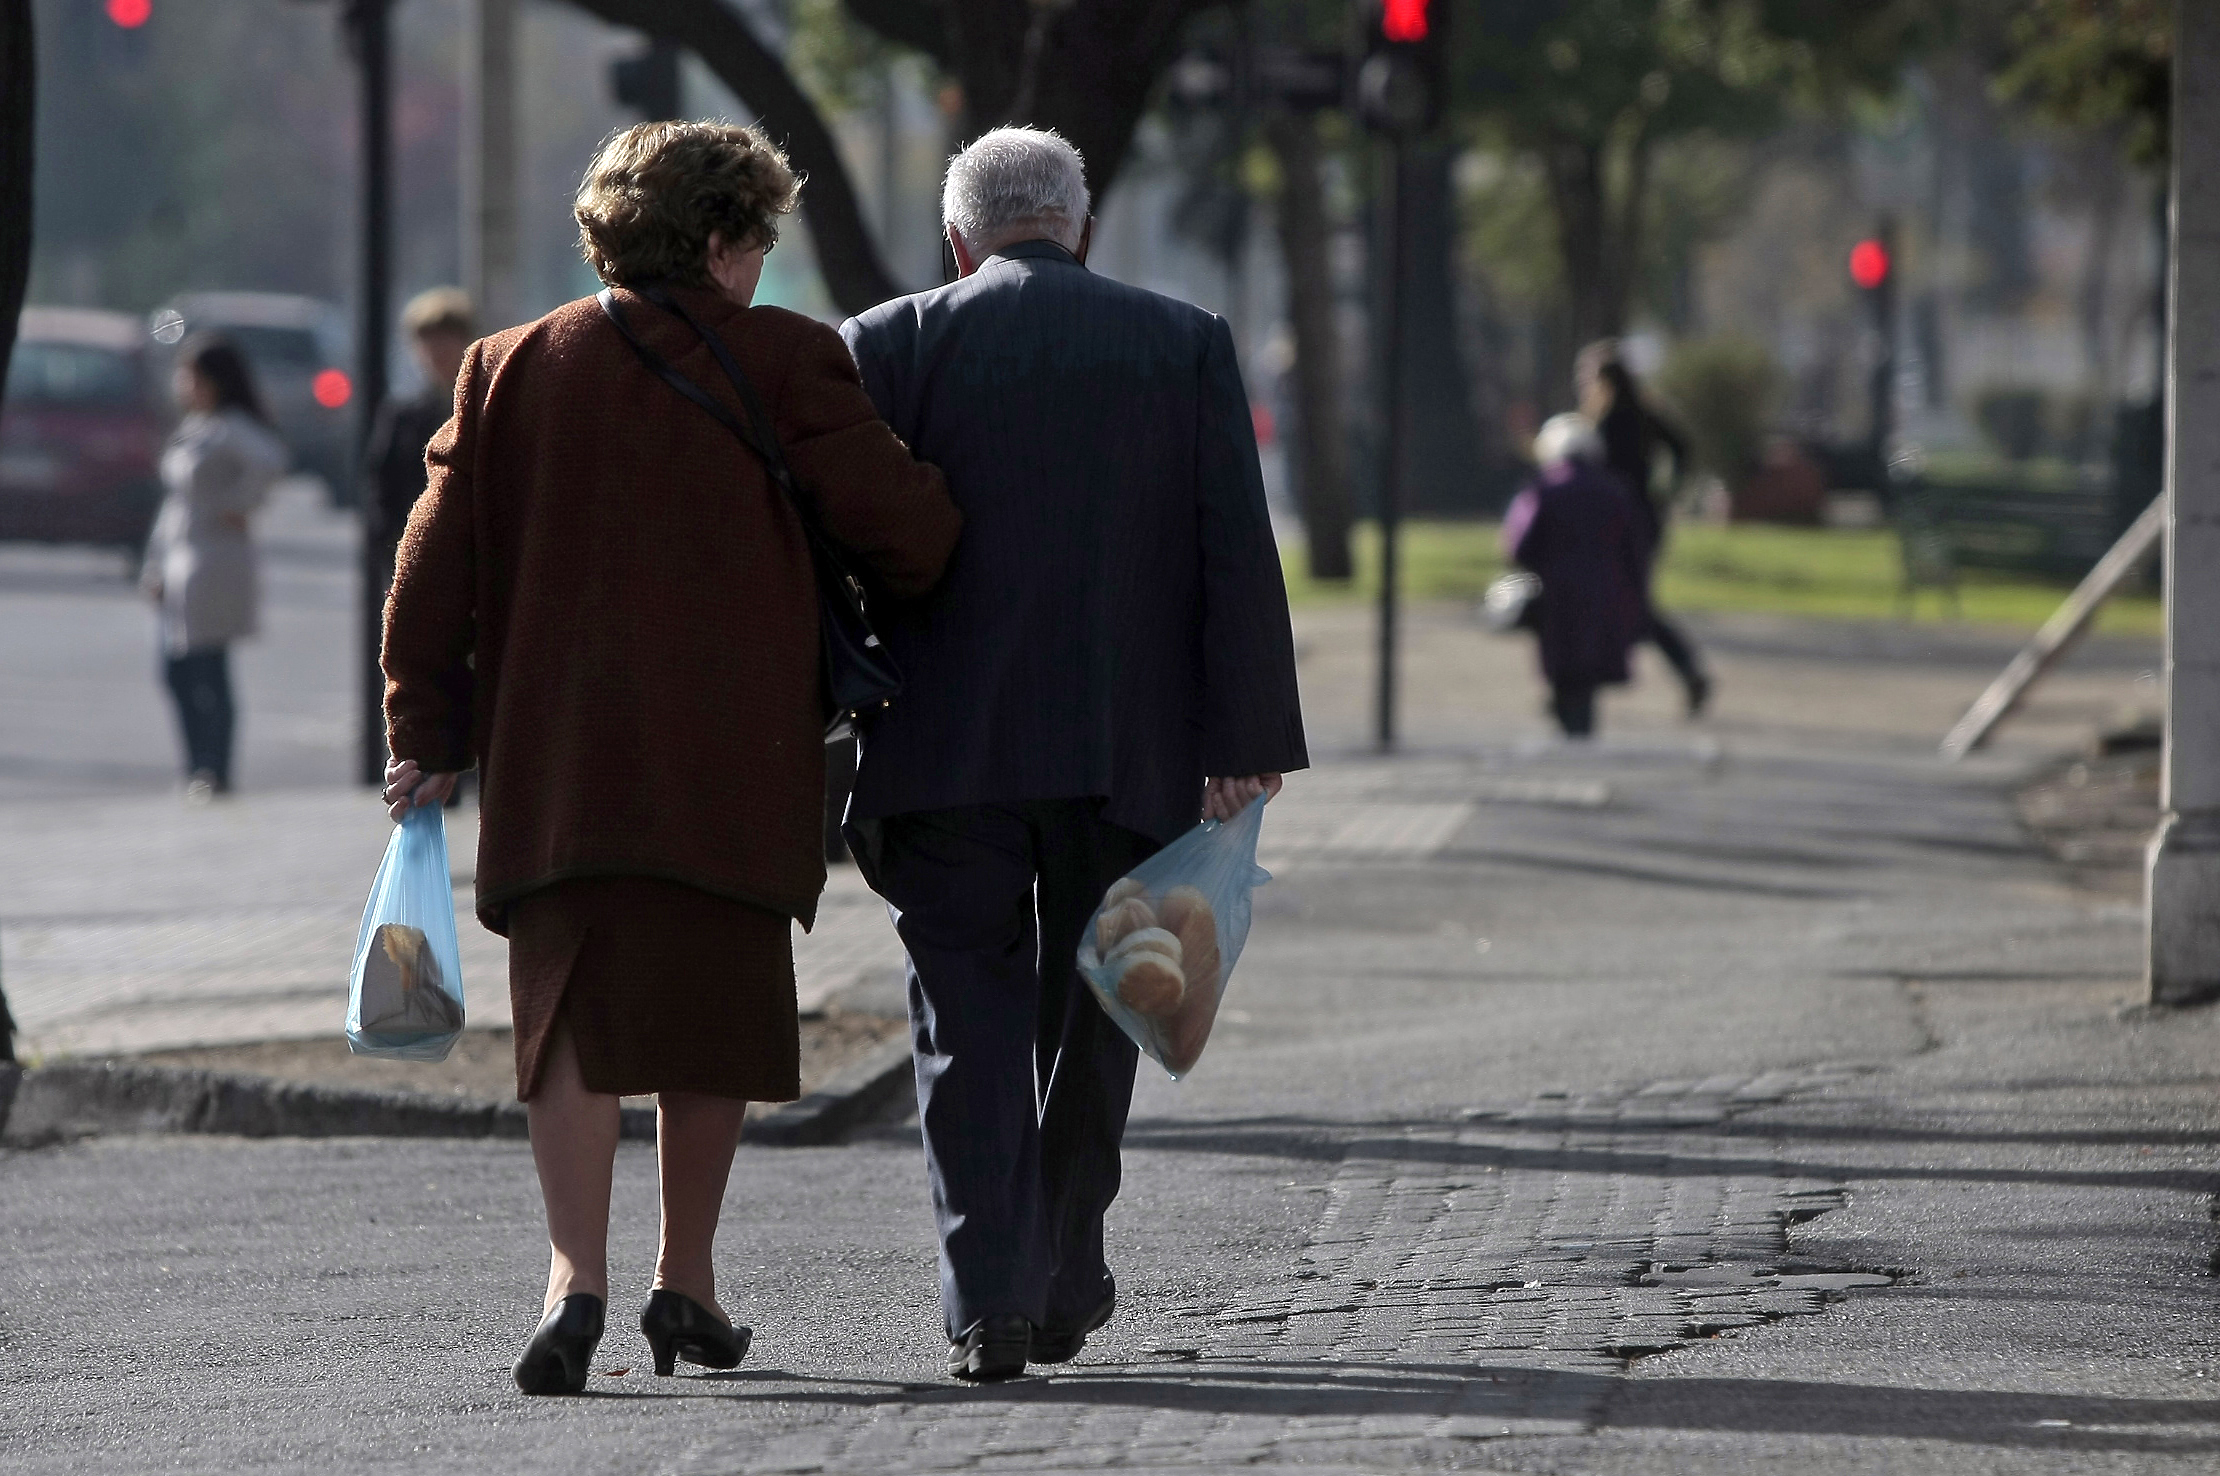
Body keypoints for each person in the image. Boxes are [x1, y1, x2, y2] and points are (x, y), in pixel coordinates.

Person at [377, 120, 961, 1396]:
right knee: (712, 1017)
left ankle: (569, 1280)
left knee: (569, 1022)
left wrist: (425, 731)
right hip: (731, 757)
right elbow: (906, 533)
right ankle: (683, 1279)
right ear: (714, 238)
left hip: (560, 758)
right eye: (754, 236)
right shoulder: (789, 360)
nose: (759, 259)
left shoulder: (507, 367)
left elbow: (429, 570)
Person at [840, 127, 1308, 1383]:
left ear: (959, 239)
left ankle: (991, 1294)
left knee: (965, 1026)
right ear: (1081, 228)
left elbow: (836, 546)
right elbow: (1233, 551)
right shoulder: (1182, 341)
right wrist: (1247, 738)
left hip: (944, 748)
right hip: (1127, 745)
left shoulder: (888, 346)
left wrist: (839, 704)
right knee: (1107, 1003)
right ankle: (1068, 1254)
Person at [141, 335, 287, 800]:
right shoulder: (194, 427)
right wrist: (154, 563)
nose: (184, 385)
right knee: (176, 669)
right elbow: (172, 506)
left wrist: (240, 504)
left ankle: (215, 768)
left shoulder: (230, 427)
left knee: (207, 667)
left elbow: (270, 460)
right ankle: (197, 764)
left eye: (193, 376)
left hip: (215, 559)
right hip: (182, 554)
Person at [1575, 339, 1713, 715]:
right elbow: (1682, 448)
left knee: (1624, 603)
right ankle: (1583, 686)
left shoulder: (1603, 419)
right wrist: (1668, 492)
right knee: (1625, 601)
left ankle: (1581, 686)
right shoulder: (1646, 412)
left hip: (1616, 521)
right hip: (1645, 517)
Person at [1501, 413, 1649, 738]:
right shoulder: (1615, 491)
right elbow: (1634, 551)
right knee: (1589, 672)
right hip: (1605, 592)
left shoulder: (1544, 489)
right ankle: (1580, 731)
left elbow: (1518, 546)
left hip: (1557, 594)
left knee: (1563, 666)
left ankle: (1567, 725)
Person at [364, 288, 474, 581]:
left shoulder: (486, 408)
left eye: (446, 339)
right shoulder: (403, 416)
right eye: (427, 342)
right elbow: (382, 489)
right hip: (417, 556)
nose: (437, 352)